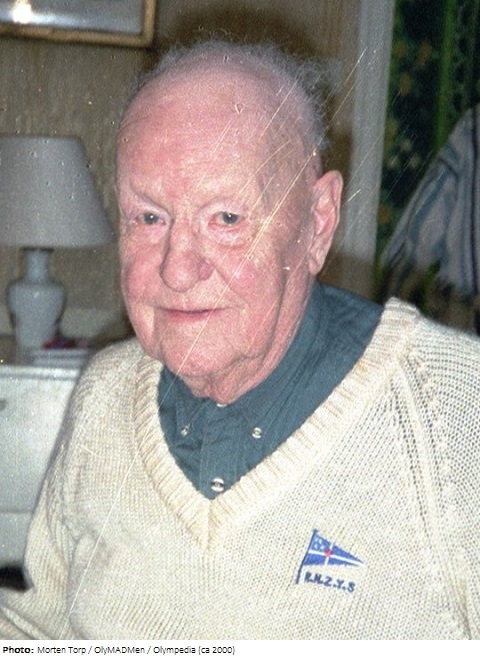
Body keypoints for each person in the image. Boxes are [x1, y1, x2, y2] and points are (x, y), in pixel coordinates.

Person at [0, 39, 479, 640]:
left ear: (318, 223)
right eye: (149, 217)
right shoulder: (105, 396)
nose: (178, 269)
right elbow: (38, 632)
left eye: (226, 218)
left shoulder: (456, 412)